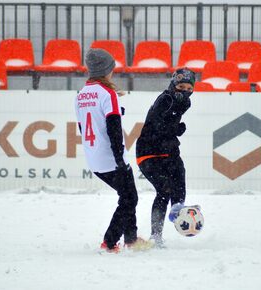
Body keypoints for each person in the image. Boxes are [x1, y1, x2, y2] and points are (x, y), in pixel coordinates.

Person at [75, 48, 151, 253]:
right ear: (106, 70)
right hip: (111, 157)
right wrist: (119, 158)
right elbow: (114, 129)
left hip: (94, 158)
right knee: (129, 199)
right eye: (112, 69)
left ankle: (131, 238)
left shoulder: (81, 94)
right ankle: (110, 242)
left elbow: (84, 127)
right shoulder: (108, 94)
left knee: (127, 196)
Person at [136, 68, 196, 247]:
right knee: (164, 190)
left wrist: (173, 131)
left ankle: (177, 208)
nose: (184, 91)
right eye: (180, 86)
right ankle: (156, 236)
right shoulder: (166, 99)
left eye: (188, 88)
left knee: (180, 173)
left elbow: (168, 125)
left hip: (168, 150)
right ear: (173, 84)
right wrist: (175, 129)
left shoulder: (186, 102)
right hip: (148, 152)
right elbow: (154, 125)